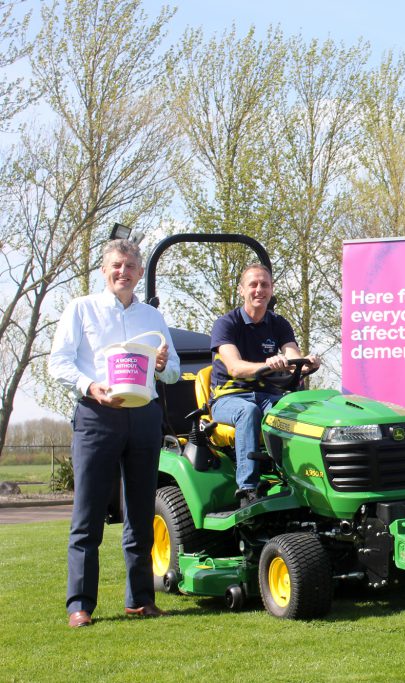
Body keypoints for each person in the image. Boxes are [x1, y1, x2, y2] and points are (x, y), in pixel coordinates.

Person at [49, 239, 180, 628]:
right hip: (96, 416)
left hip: (143, 418)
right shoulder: (81, 308)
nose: (123, 272)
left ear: (140, 272)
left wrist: (161, 365)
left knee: (140, 512)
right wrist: (91, 386)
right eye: (116, 265)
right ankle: (80, 606)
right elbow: (59, 363)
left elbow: (172, 370)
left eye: (130, 266)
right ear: (104, 270)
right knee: (87, 514)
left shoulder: (153, 318)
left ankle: (140, 600)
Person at [209, 264, 320, 506]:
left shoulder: (279, 324)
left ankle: (297, 479)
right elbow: (235, 367)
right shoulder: (226, 324)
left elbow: (292, 359)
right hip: (229, 399)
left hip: (267, 395)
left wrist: (307, 362)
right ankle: (248, 489)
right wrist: (267, 365)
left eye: (265, 285)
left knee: (293, 413)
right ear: (241, 290)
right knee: (249, 412)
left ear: (272, 289)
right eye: (253, 284)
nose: (259, 290)